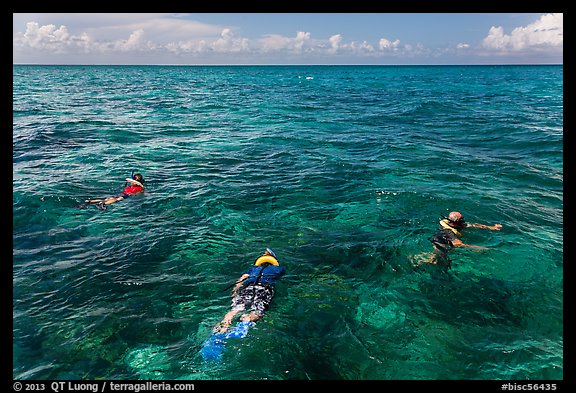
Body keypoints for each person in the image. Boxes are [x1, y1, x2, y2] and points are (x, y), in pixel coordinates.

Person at [214, 248, 286, 333]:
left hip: (249, 288)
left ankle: (224, 325)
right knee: (258, 313)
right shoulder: (278, 269)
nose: (263, 254)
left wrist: (235, 290)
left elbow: (242, 279)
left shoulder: (253, 268)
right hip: (263, 289)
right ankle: (247, 318)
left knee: (235, 310)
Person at [414, 211, 502, 268]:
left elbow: (473, 225)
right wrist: (479, 248)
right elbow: (459, 244)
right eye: (461, 221)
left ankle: (421, 260)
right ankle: (418, 260)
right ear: (452, 223)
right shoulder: (448, 232)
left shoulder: (456, 224)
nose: (463, 222)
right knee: (442, 263)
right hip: (440, 243)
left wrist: (491, 227)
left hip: (442, 240)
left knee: (441, 261)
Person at [78, 173, 145, 210]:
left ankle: (89, 201)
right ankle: (103, 204)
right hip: (126, 195)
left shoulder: (129, 187)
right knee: (116, 200)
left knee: (107, 199)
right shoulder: (139, 188)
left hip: (122, 193)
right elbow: (137, 193)